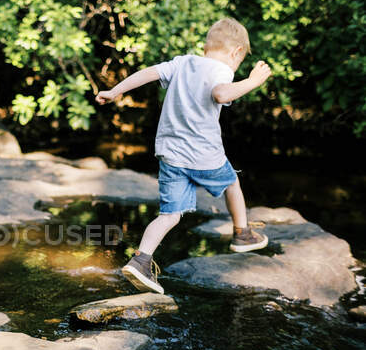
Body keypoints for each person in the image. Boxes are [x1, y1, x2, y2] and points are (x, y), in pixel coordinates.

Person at [95, 18, 271, 294]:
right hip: (205, 156)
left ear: (206, 45)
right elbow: (221, 94)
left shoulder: (183, 62)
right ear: (236, 52)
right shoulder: (222, 71)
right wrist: (251, 81)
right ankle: (242, 233)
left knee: (169, 215)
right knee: (232, 184)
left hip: (171, 155)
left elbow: (147, 74)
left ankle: (140, 260)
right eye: (240, 60)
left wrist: (116, 91)